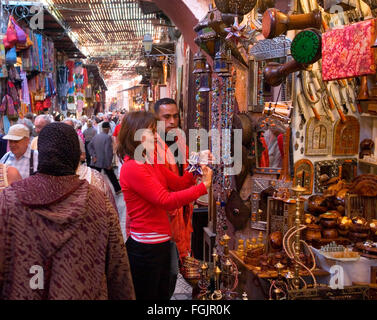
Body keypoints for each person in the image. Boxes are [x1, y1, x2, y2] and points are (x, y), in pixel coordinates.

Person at [0, 122, 135, 300]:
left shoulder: (9, 200)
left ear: (41, 155)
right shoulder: (98, 201)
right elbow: (118, 271)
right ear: (75, 156)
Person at [117, 111, 212, 300]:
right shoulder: (133, 167)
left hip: (161, 243)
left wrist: (195, 165)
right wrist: (203, 187)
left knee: (162, 294)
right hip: (145, 248)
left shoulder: (150, 161)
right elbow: (165, 200)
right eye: (151, 131)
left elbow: (178, 183)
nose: (155, 136)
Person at [88, 122, 121, 195]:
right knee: (111, 176)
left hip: (96, 161)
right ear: (108, 128)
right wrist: (109, 163)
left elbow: (89, 146)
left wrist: (93, 156)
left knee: (96, 177)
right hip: (104, 161)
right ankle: (117, 189)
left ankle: (94, 191)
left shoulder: (96, 136)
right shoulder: (108, 137)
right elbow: (108, 151)